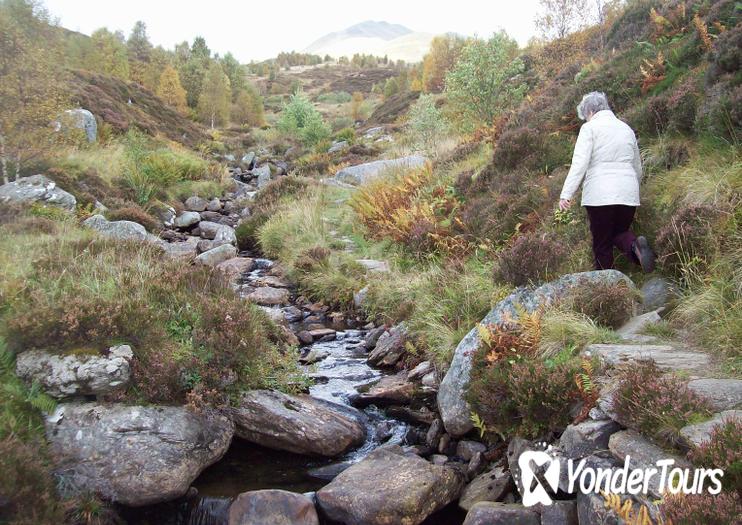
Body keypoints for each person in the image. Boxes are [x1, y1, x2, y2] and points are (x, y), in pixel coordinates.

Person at [559, 91, 655, 272]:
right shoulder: (626, 128)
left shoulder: (589, 129)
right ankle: (636, 246)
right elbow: (637, 166)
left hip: (599, 195)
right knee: (620, 233)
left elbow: (579, 164)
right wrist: (634, 189)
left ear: (589, 112)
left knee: (602, 244)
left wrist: (566, 194)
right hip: (628, 192)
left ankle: (607, 288)